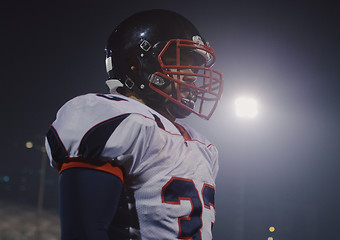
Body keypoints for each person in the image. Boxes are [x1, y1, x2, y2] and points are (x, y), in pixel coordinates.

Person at [45, 9, 223, 240]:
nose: (191, 75)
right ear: (135, 65)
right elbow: (84, 233)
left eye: (195, 65)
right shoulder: (117, 118)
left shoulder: (203, 147)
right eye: (179, 61)